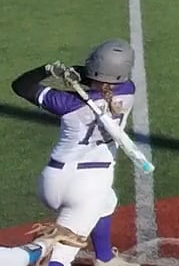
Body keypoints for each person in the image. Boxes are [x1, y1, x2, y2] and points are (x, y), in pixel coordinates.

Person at [0, 41, 139, 266]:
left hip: (54, 179)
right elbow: (101, 83)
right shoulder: (128, 90)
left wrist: (50, 70)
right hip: (88, 187)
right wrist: (80, 75)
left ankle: (105, 259)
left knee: (107, 200)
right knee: (61, 254)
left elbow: (22, 86)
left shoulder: (66, 102)